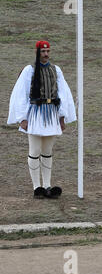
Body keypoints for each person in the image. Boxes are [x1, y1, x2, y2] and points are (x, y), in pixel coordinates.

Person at [7, 40, 77, 198]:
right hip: (35, 114)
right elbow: (21, 93)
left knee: (47, 151)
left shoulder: (56, 70)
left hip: (51, 114)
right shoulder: (29, 70)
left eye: (48, 51)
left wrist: (62, 116)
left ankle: (47, 185)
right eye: (43, 51)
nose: (46, 54)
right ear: (37, 52)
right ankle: (36, 187)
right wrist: (22, 118)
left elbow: (63, 93)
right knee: (35, 150)